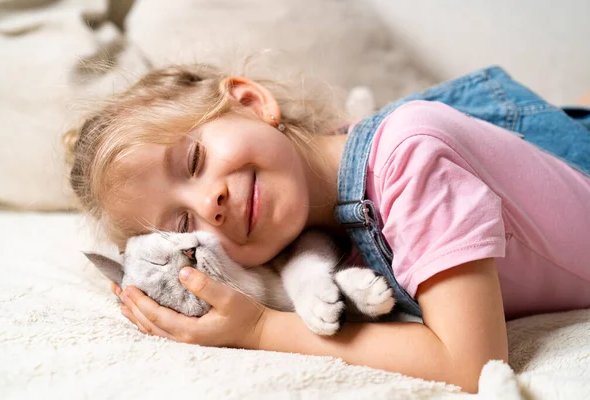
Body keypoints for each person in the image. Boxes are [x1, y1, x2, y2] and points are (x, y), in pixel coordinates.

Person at [64, 63, 590, 393]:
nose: (211, 202)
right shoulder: (309, 240)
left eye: (195, 158)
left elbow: (470, 362)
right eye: (183, 223)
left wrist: (257, 330)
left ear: (251, 103)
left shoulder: (407, 159)